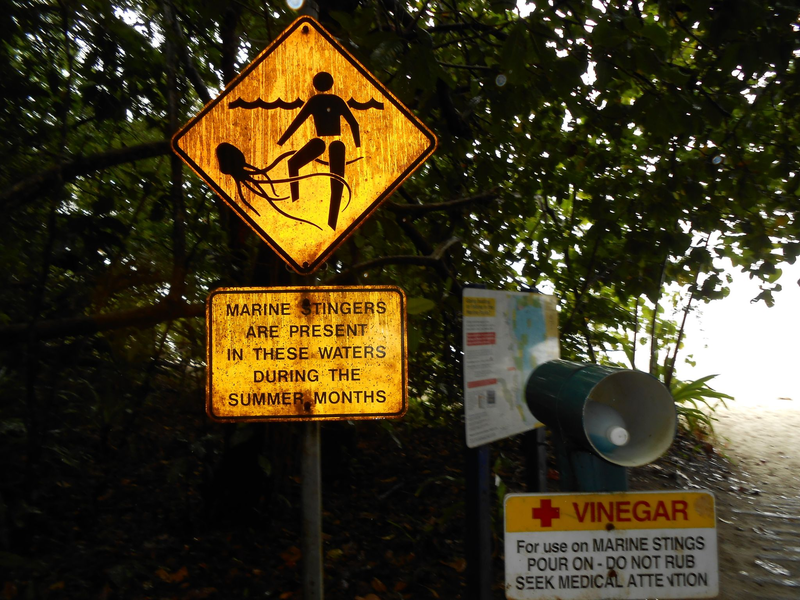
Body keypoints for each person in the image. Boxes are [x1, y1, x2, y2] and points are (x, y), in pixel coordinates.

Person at [277, 71, 360, 230]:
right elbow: (354, 124)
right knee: (336, 184)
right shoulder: (336, 101)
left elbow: (296, 123)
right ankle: (313, 215)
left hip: (325, 143)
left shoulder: (316, 101)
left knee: (294, 165)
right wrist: (357, 147)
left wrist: (282, 141)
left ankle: (328, 224)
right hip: (333, 144)